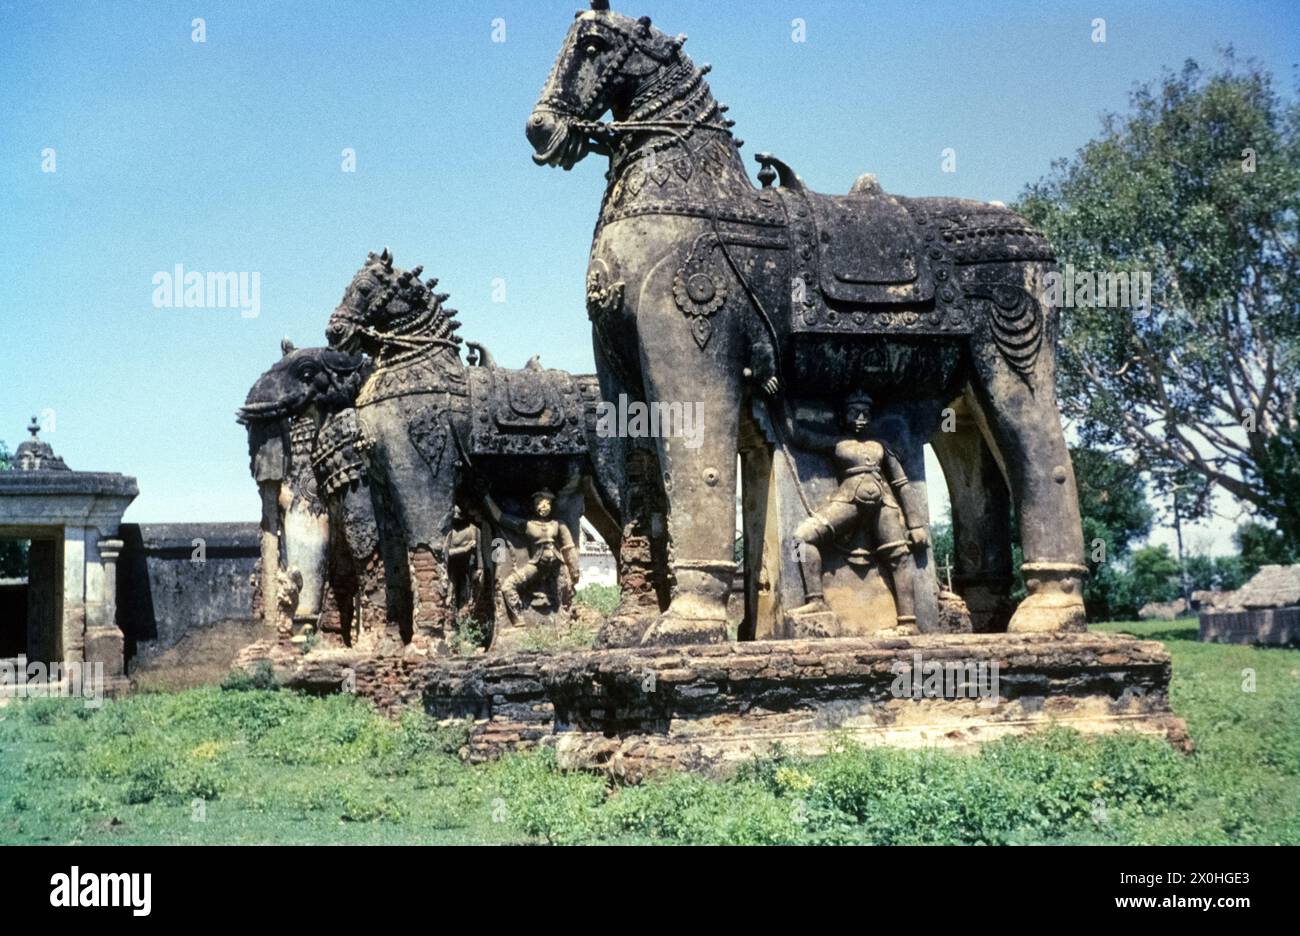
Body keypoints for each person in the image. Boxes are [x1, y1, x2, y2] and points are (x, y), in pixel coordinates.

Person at [776, 390, 927, 629]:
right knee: (802, 539)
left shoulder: (881, 446)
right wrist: (780, 402)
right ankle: (815, 600)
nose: (860, 418)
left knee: (900, 556)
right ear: (843, 416)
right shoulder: (837, 443)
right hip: (848, 501)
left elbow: (902, 483)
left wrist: (915, 524)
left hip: (882, 503)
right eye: (854, 413)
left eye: (865, 413)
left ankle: (908, 622)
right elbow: (798, 437)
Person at [482, 488, 581, 625]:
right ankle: (518, 618)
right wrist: (485, 496)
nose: (544, 507)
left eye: (548, 503)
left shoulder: (558, 524)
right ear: (534, 505)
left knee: (565, 589)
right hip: (536, 565)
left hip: (557, 566)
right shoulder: (528, 525)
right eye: (540, 503)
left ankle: (564, 622)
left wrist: (574, 569)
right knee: (507, 586)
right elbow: (499, 517)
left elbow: (569, 547)